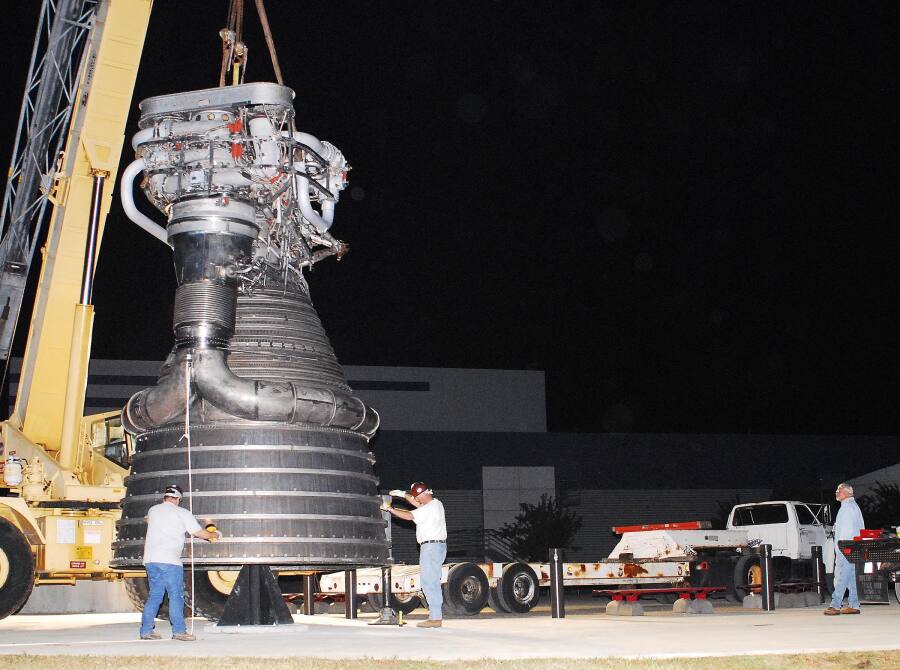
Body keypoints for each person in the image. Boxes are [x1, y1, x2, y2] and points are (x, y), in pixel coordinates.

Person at [140, 484, 221, 640]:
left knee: (155, 596)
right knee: (176, 596)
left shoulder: (153, 510)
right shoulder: (182, 513)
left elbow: (148, 520)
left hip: (150, 560)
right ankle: (179, 631)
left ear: (165, 497)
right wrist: (215, 534)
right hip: (169, 561)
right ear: (178, 499)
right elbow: (200, 533)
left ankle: (146, 631)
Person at [385, 482, 447, 627]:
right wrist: (402, 494)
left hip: (430, 547)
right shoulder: (436, 504)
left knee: (429, 582)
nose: (416, 500)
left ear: (424, 494)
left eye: (418, 497)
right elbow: (415, 502)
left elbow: (408, 515)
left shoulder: (428, 509)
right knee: (432, 581)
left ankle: (435, 618)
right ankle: (435, 616)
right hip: (437, 546)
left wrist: (390, 509)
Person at [824, 482, 865, 616]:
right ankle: (854, 604)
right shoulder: (854, 507)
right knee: (852, 577)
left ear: (848, 492)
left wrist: (843, 548)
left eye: (839, 490)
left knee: (842, 576)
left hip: (846, 548)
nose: (836, 492)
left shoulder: (846, 508)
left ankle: (835, 605)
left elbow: (846, 531)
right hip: (854, 548)